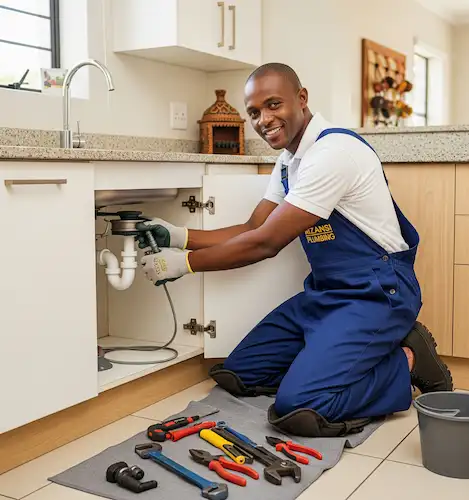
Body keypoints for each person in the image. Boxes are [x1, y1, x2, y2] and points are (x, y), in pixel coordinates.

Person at [136, 63, 453, 438]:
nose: (263, 119)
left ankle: (407, 359)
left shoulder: (333, 153)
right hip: (325, 295)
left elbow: (266, 243)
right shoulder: (289, 161)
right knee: (238, 374)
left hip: (377, 294)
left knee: (300, 407)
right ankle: (330, 361)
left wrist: (184, 264)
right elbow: (254, 227)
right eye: (254, 112)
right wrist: (180, 236)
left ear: (301, 99)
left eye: (273, 105)